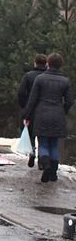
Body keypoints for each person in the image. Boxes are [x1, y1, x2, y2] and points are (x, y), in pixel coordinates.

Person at [22, 53, 74, 183]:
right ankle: (54, 172)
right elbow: (69, 101)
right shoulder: (65, 81)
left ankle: (46, 166)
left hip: (42, 114)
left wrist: (27, 115)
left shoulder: (40, 79)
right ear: (60, 65)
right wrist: (63, 110)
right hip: (58, 114)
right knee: (54, 144)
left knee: (43, 142)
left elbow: (32, 100)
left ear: (47, 64)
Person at [17, 54, 47, 168]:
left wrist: (24, 106)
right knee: (42, 134)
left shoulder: (28, 76)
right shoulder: (47, 76)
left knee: (29, 133)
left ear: (35, 63)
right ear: (46, 64)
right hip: (43, 109)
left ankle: (32, 152)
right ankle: (41, 158)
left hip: (29, 108)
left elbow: (21, 93)